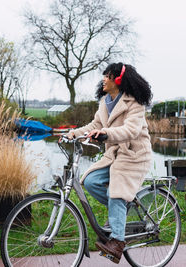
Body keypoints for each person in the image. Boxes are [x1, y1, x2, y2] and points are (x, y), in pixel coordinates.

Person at [65, 62, 153, 264]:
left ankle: (117, 242)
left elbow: (131, 130)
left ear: (118, 80)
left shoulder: (135, 103)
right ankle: (119, 211)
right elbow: (95, 125)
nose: (104, 79)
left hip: (134, 156)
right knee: (90, 181)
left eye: (108, 76)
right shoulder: (106, 101)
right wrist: (72, 133)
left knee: (116, 193)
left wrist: (105, 134)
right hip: (115, 154)